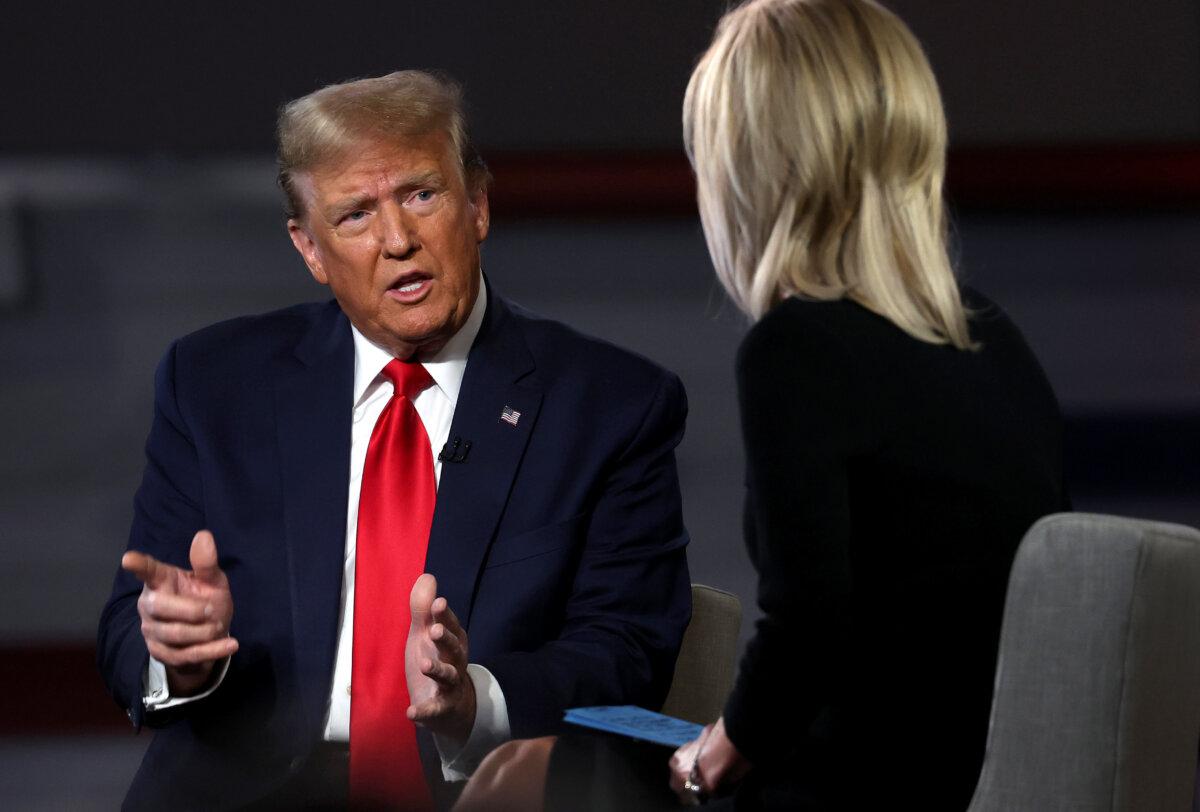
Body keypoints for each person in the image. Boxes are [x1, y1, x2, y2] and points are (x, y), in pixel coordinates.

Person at [455, 1, 1069, 809]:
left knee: (529, 774)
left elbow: (807, 629)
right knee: (566, 742)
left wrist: (710, 758)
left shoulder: (800, 349)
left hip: (860, 777)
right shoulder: (990, 335)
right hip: (964, 758)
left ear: (756, 172)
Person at [97, 70, 692, 811]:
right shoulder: (214, 384)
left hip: (479, 789)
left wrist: (475, 700)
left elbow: (630, 654)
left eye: (420, 194)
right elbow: (128, 628)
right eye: (354, 216)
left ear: (476, 204)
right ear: (310, 249)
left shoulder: (609, 405)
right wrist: (178, 657)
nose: (397, 240)